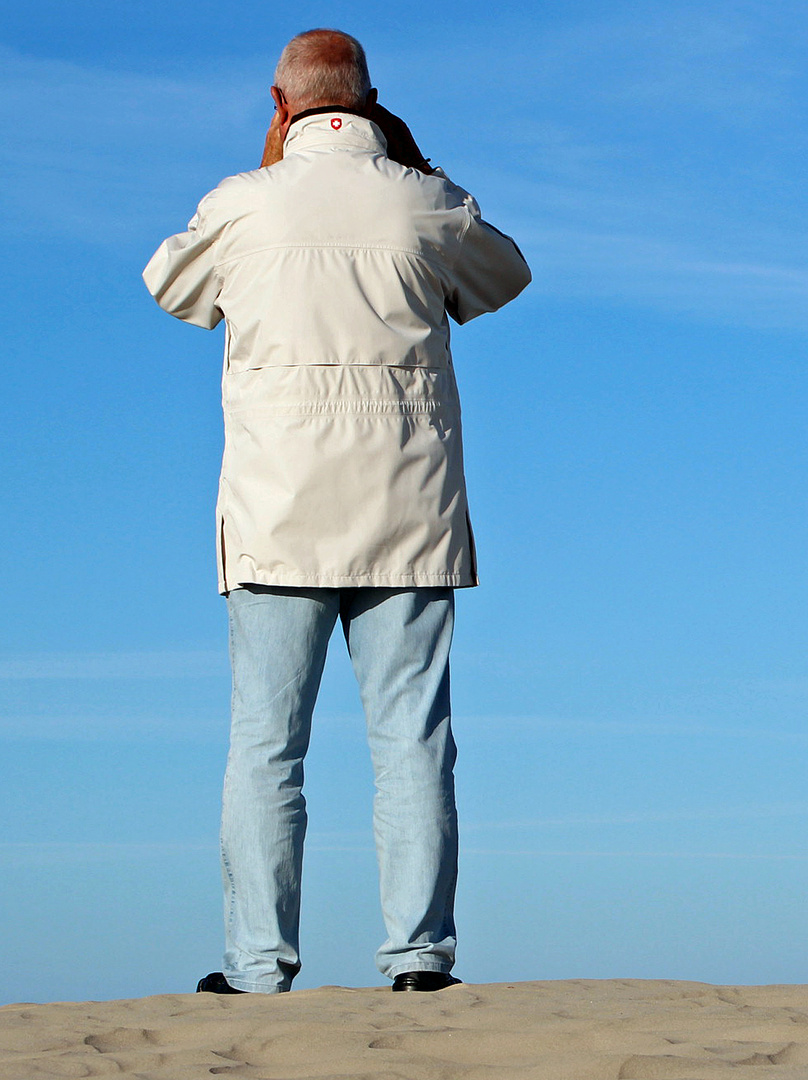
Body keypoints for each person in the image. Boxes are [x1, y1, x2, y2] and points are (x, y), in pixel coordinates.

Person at [142, 28, 531, 994]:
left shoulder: (241, 207)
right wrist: (416, 163)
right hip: (409, 513)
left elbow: (169, 285)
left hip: (277, 514)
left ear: (281, 105)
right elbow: (505, 274)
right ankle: (417, 962)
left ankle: (258, 967)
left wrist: (265, 169)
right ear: (370, 103)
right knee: (412, 744)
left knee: (267, 749)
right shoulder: (426, 202)